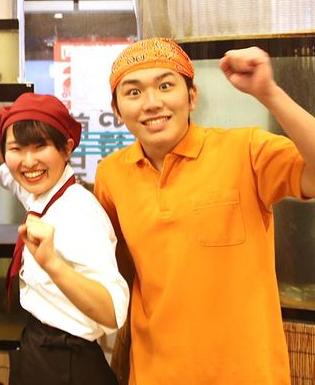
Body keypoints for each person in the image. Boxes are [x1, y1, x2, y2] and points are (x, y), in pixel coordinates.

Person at [94, 37, 315, 384]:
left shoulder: (246, 150)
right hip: (156, 374)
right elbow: (116, 273)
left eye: (165, 85)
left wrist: (269, 93)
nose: (152, 103)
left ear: (192, 97)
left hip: (247, 374)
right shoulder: (111, 174)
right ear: (118, 111)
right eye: (133, 92)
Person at [0, 93, 129, 385]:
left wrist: (52, 263)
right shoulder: (41, 193)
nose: (28, 162)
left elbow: (112, 312)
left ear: (66, 148)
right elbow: (4, 168)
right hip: (39, 345)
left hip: (67, 362)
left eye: (40, 146)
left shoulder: (80, 212)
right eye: (17, 148)